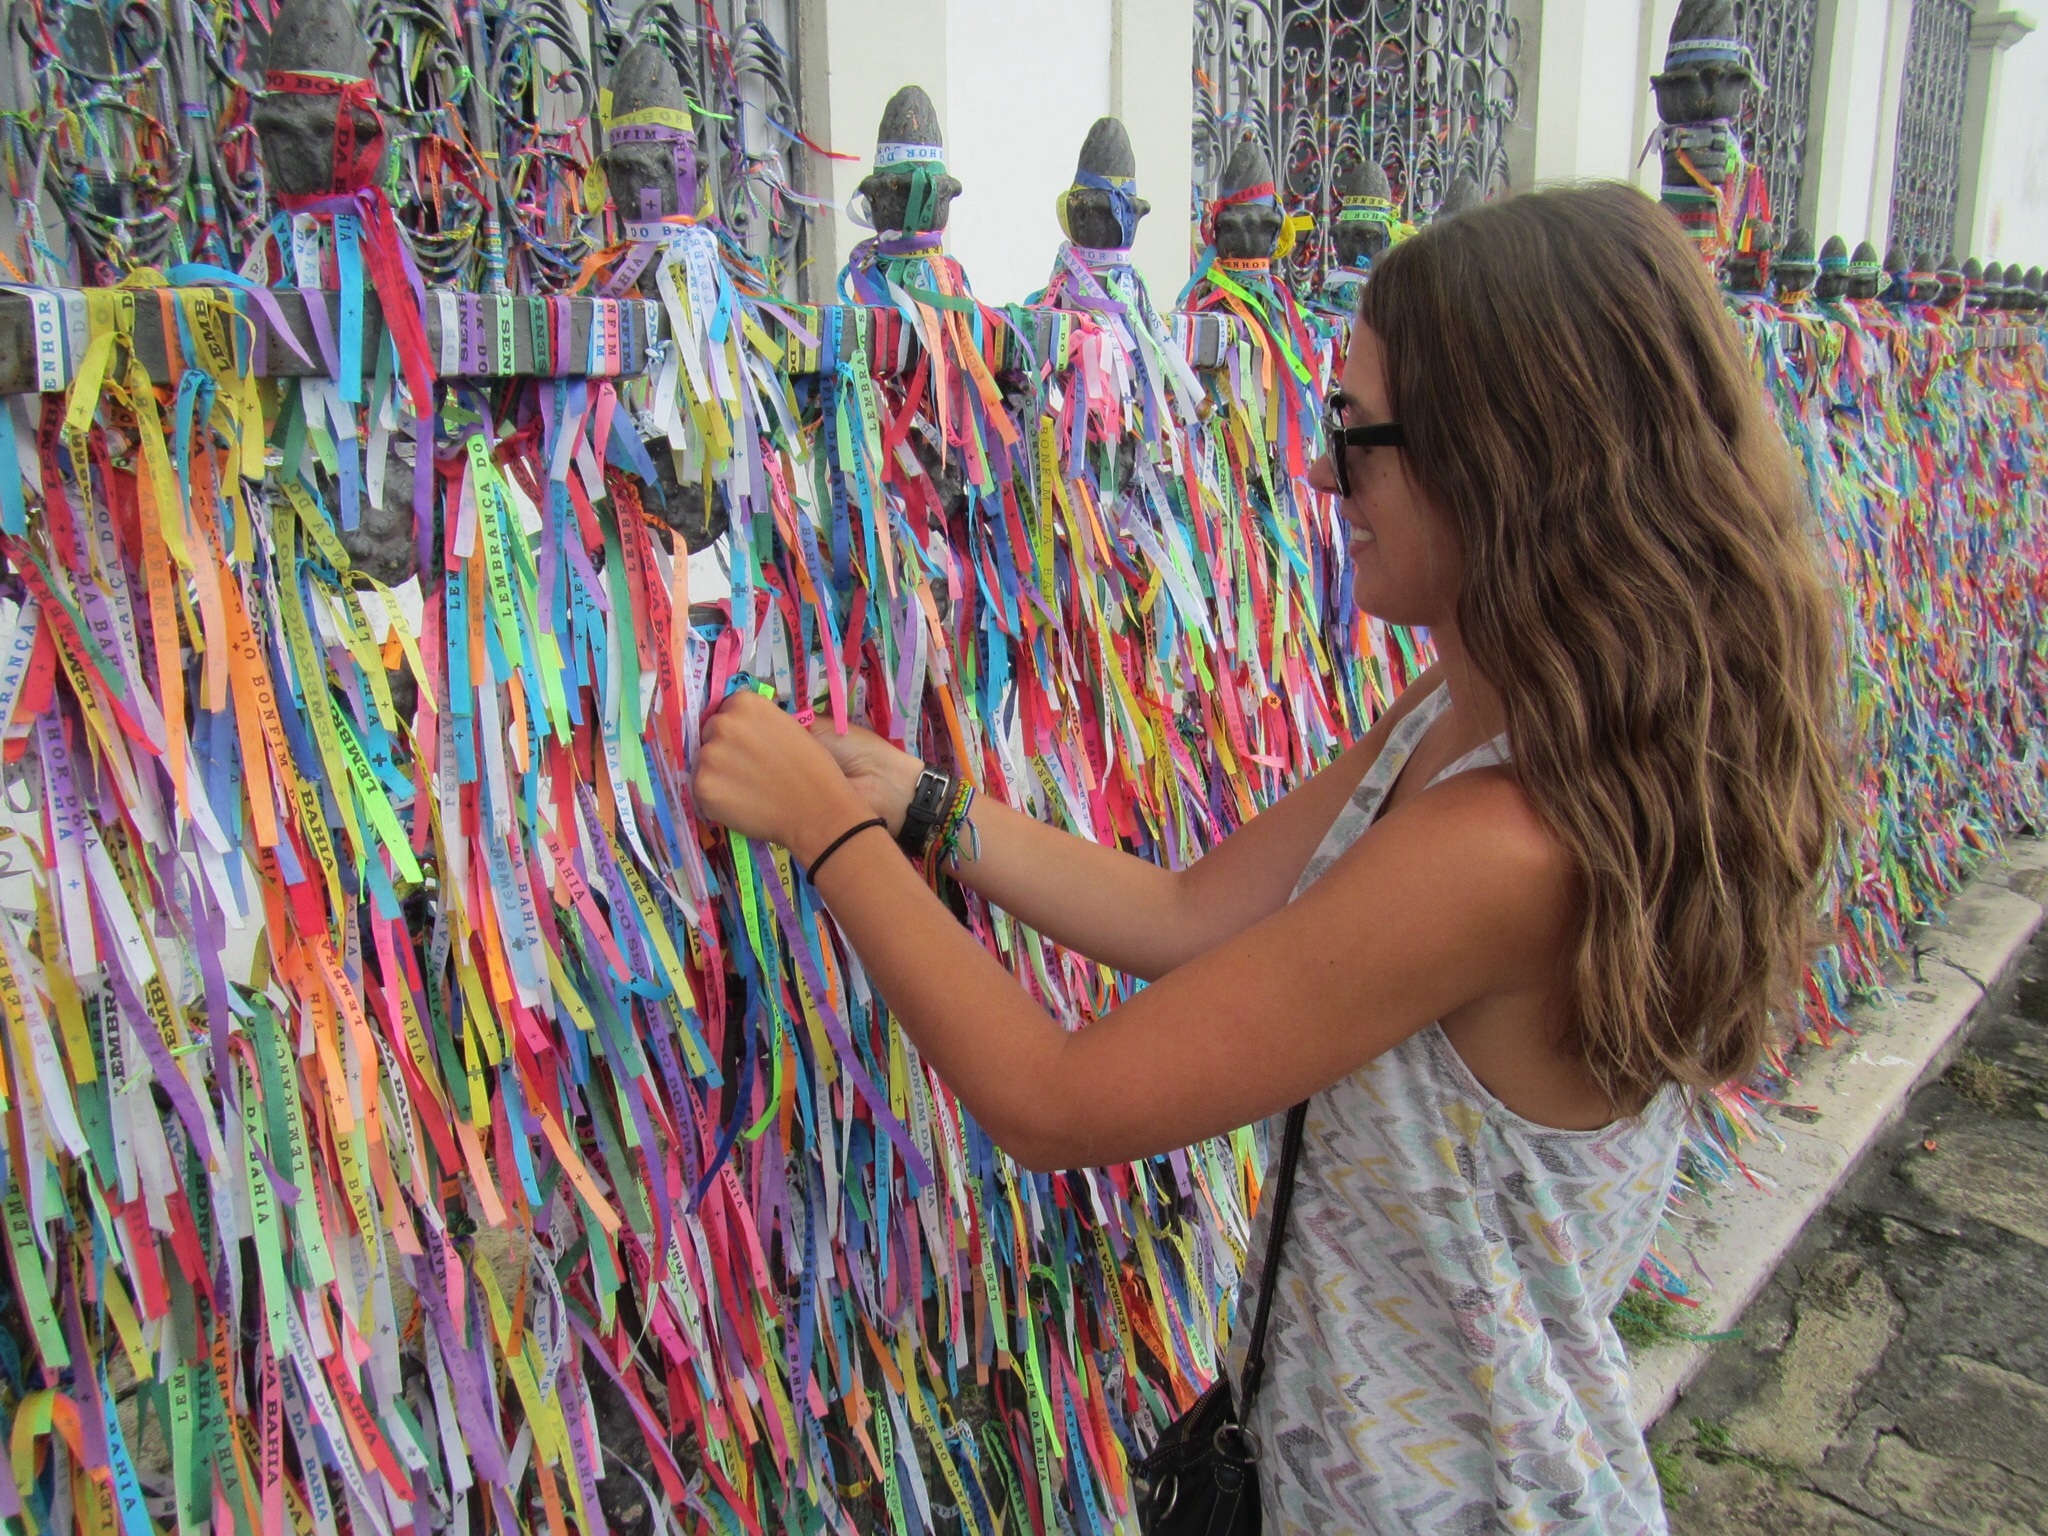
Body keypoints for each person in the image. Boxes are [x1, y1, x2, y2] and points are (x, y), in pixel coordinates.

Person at [692, 181, 1841, 1533]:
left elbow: (1057, 1101)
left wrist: (823, 835)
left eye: (1357, 437)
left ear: (1505, 462)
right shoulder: (1467, 721)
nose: (1316, 471)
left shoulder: (1504, 849)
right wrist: (927, 812)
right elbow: (1192, 915)